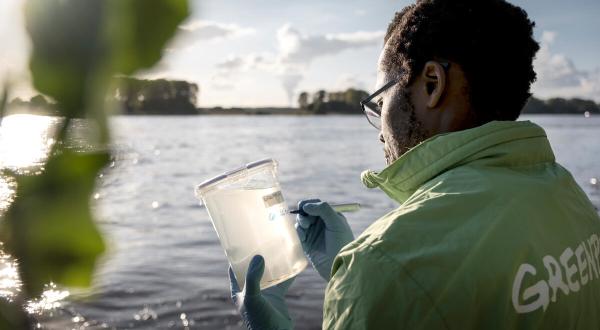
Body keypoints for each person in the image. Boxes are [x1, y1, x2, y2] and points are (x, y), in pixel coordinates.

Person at [228, 0, 600, 328]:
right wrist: (355, 279)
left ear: (432, 84)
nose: (378, 131)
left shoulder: (381, 265)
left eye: (380, 101)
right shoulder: (570, 198)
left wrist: (370, 274)